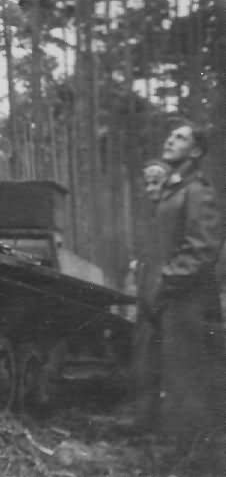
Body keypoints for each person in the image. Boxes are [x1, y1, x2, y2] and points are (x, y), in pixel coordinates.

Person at [148, 120, 225, 459]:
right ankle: (181, 454)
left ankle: (197, 460)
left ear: (195, 151)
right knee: (175, 378)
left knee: (190, 379)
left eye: (180, 137)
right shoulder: (174, 188)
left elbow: (203, 247)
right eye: (171, 133)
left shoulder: (198, 190)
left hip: (189, 299)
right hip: (173, 299)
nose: (170, 138)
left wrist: (167, 280)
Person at [131, 159, 171, 430]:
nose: (149, 189)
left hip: (170, 300)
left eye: (155, 182)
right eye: (147, 183)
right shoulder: (149, 217)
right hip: (148, 302)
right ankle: (146, 423)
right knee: (145, 362)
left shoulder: (178, 214)